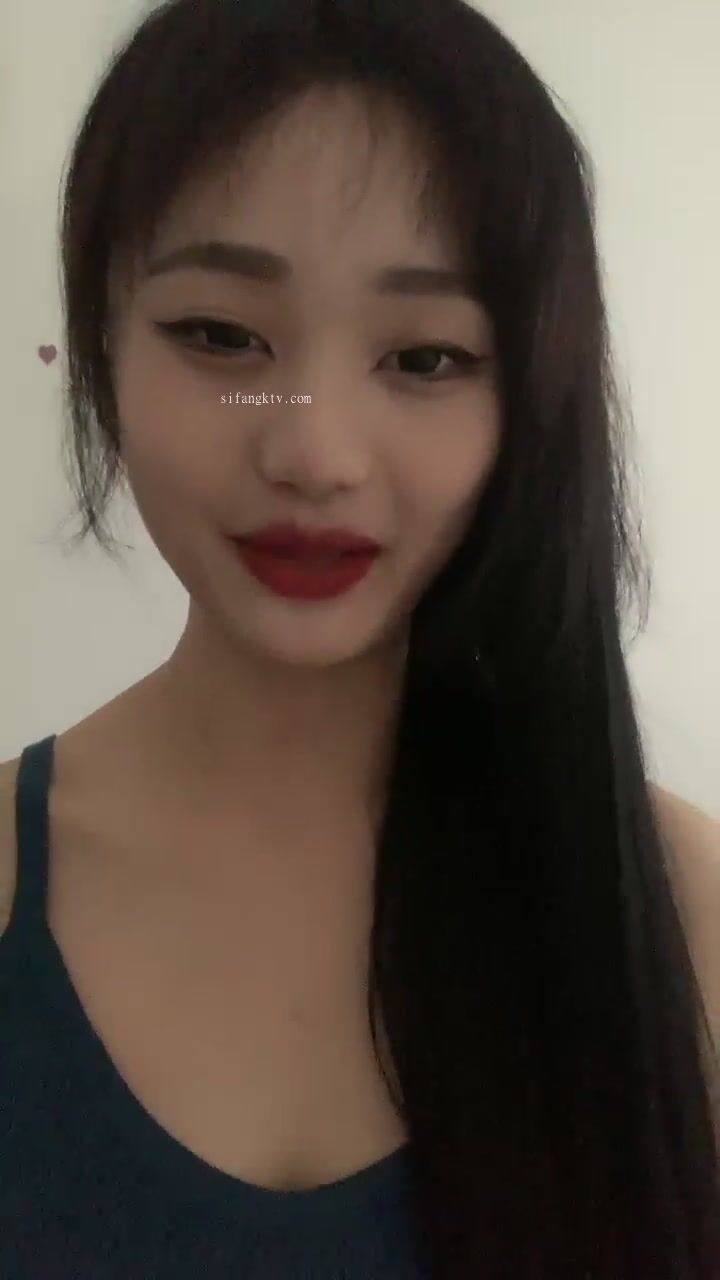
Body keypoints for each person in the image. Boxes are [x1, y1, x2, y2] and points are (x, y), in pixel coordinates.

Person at [1, 0, 718, 1275]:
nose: (315, 451)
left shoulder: (681, 912)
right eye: (223, 336)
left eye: (426, 357)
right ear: (101, 348)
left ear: (530, 397)